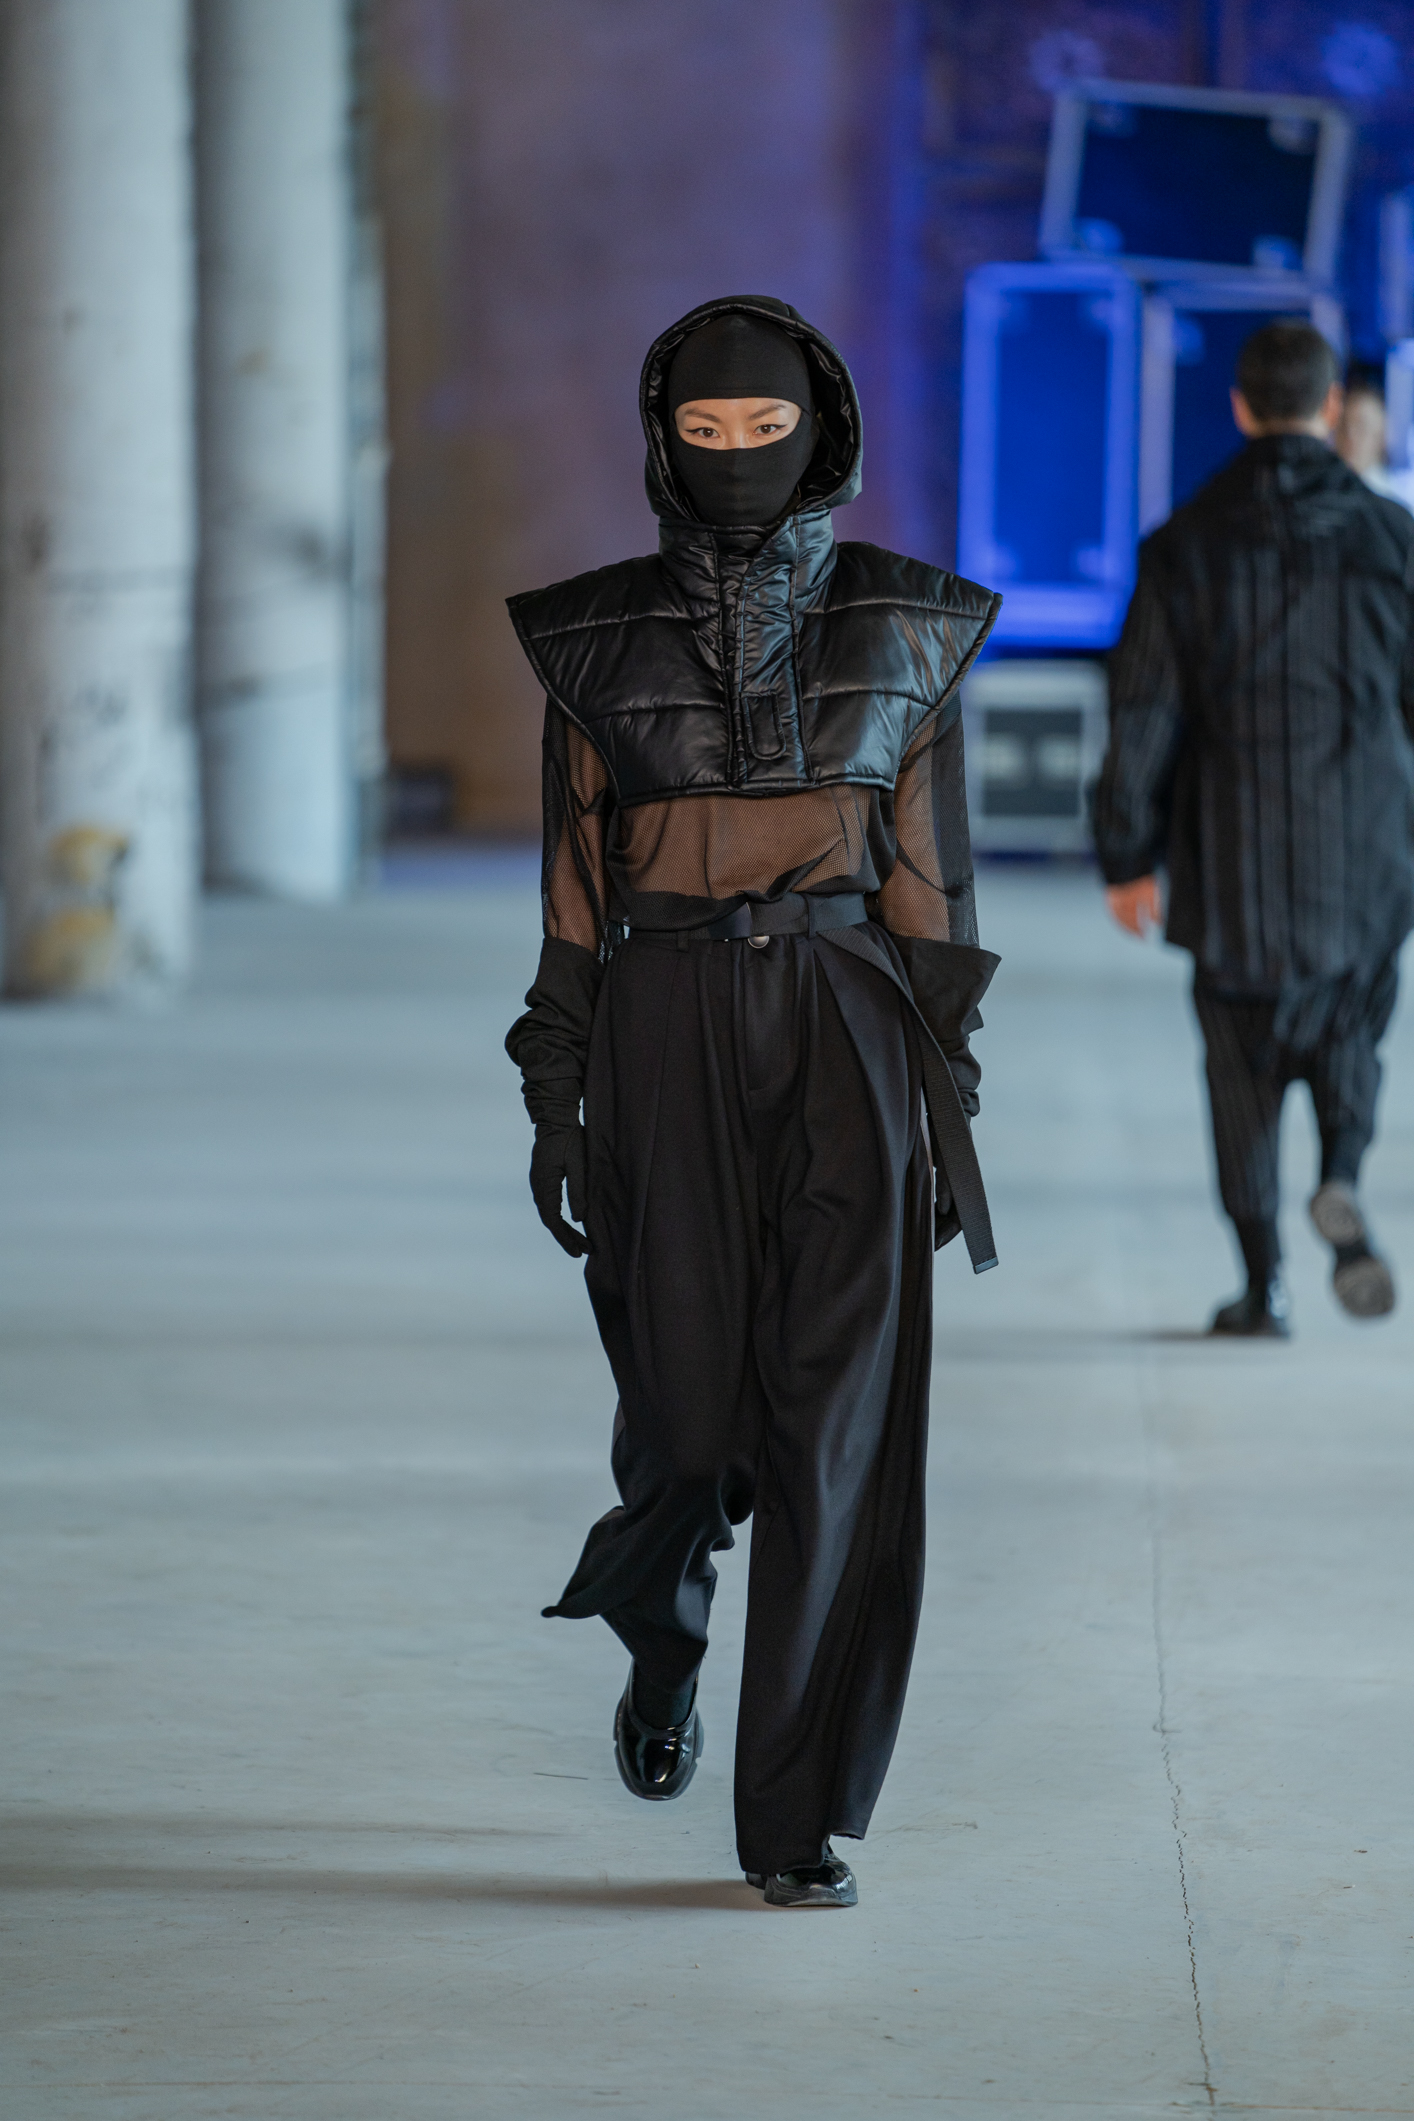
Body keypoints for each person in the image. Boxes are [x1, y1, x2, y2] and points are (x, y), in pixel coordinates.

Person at [504, 296, 1000, 1907]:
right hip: (660, 1027)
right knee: (685, 1428)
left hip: (853, 1031)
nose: (734, 457)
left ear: (821, 435)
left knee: (831, 1429)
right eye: (703, 432)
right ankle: (663, 1641)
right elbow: (574, 886)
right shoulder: (592, 638)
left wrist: (947, 1099)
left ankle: (794, 1825)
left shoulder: (909, 626)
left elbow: (928, 877)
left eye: (762, 429)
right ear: (662, 442)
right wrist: (558, 1091)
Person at [1094, 319, 1414, 1336]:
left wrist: (1125, 854)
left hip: (1229, 854)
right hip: (1365, 852)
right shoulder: (1395, 540)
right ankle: (1342, 1172)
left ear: (1238, 407)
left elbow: (1142, 710)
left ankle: (1262, 1285)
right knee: (1351, 1029)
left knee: (1237, 1075)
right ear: (1331, 407)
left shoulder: (1181, 544)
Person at [1334, 361, 1414, 512]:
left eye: (1361, 426)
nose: (1351, 435)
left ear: (1381, 436)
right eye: (1344, 424)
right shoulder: (1320, 493)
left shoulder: (1396, 505)